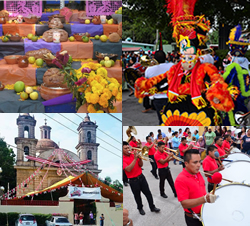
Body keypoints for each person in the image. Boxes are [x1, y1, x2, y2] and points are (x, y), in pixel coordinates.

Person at [175, 149, 217, 226]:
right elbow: (184, 204)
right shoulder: (180, 179)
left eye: (199, 161)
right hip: (194, 219)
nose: (199, 165)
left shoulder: (197, 173)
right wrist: (204, 199)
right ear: (186, 163)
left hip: (204, 212)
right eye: (195, 162)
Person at [123, 141, 160, 215]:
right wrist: (135, 159)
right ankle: (140, 208)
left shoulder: (133, 154)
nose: (128, 149)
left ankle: (152, 207)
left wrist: (140, 159)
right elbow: (128, 169)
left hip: (141, 177)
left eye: (128, 147)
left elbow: (141, 165)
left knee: (148, 193)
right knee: (137, 196)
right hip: (133, 181)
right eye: (125, 148)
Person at [145, 50, 174, 124]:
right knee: (173, 119)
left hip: (158, 98)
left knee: (161, 119)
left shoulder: (149, 70)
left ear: (154, 58)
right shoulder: (172, 66)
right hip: (172, 97)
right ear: (166, 57)